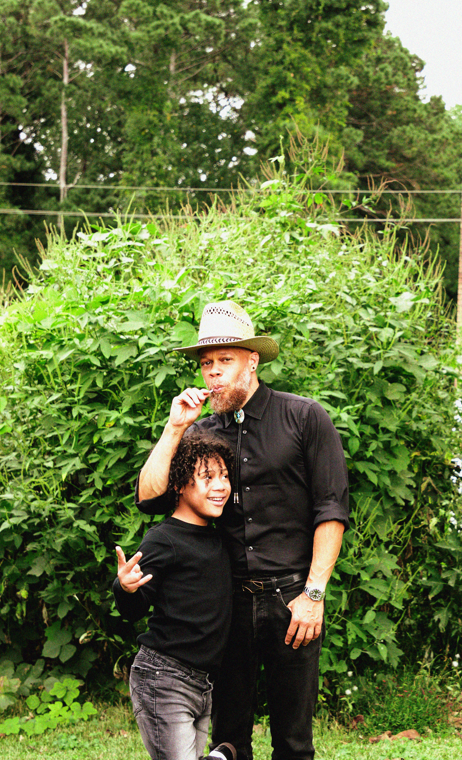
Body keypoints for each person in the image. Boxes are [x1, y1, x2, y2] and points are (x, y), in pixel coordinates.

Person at [136, 300, 349, 760]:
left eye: (224, 361)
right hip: (226, 604)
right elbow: (151, 497)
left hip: (293, 601)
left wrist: (313, 595)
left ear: (252, 362)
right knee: (229, 740)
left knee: (293, 741)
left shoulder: (304, 417)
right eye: (207, 364)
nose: (213, 373)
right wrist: (174, 430)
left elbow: (331, 509)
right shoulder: (201, 435)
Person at [114, 427, 239, 760]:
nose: (221, 486)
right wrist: (125, 587)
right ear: (182, 484)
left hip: (203, 682)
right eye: (208, 477)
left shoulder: (218, 538)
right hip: (163, 678)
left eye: (224, 476)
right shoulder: (163, 539)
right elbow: (133, 608)